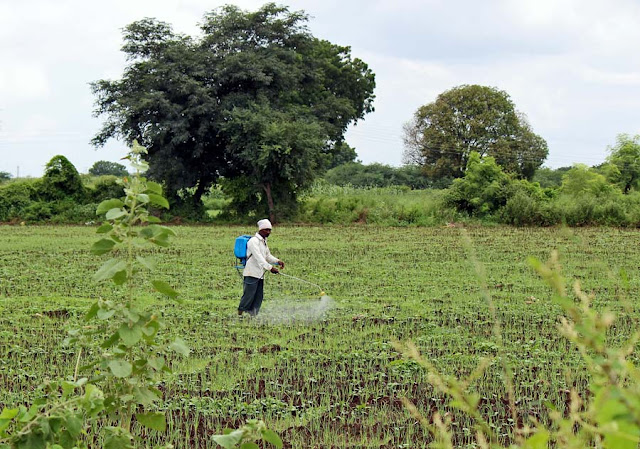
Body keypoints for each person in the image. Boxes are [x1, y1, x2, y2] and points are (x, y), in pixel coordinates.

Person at [238, 219, 285, 316]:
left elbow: (267, 256)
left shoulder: (264, 242)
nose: (268, 232)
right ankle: (240, 314)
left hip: (259, 274)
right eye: (266, 230)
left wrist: (277, 261)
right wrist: (270, 268)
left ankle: (253, 315)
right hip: (251, 273)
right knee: (248, 295)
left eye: (269, 230)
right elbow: (258, 257)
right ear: (260, 229)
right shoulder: (253, 241)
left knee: (258, 296)